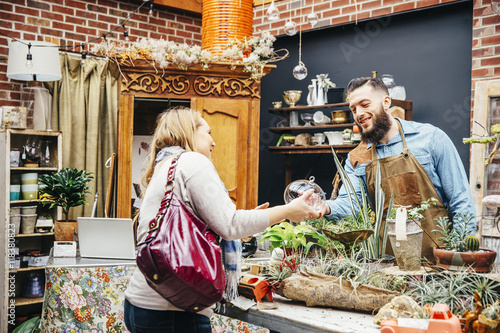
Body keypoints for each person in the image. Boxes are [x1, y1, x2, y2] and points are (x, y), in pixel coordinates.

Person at [124, 106, 321, 333]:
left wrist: (246, 223)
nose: (213, 142)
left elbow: (205, 226)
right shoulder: (192, 162)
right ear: (189, 132)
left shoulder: (166, 165)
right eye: (208, 133)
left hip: (143, 303)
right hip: (172, 312)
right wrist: (287, 211)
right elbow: (230, 224)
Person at [321, 77, 476, 260]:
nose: (358, 113)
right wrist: (323, 207)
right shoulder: (357, 157)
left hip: (439, 261)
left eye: (364, 104)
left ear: (386, 102)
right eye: (353, 109)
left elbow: (461, 202)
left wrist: (458, 258)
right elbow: (349, 205)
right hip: (388, 263)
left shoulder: (431, 139)